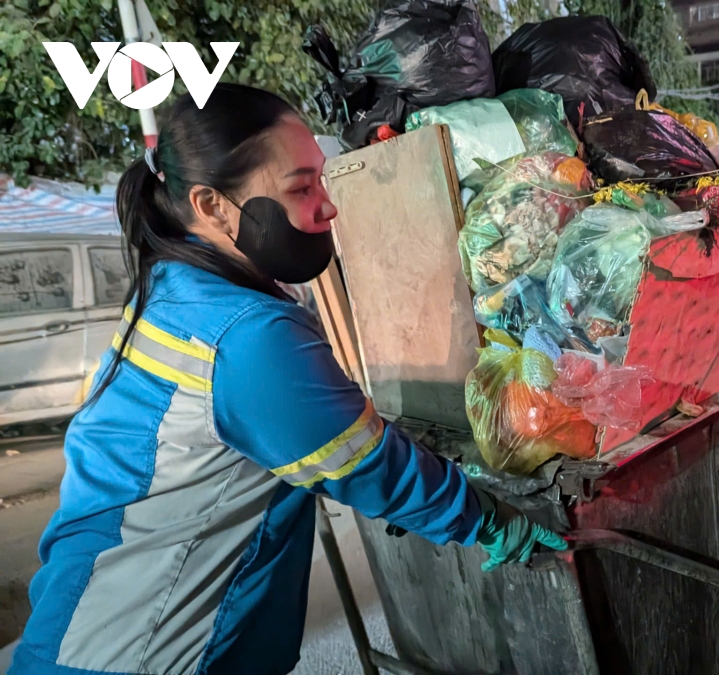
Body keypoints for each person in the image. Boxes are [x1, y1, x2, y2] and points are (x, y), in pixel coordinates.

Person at [11, 84, 565, 675]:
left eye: (321, 182)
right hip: (141, 653)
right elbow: (371, 466)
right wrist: (492, 520)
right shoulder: (248, 334)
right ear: (211, 205)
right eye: (300, 188)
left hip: (69, 631)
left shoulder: (173, 289)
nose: (327, 206)